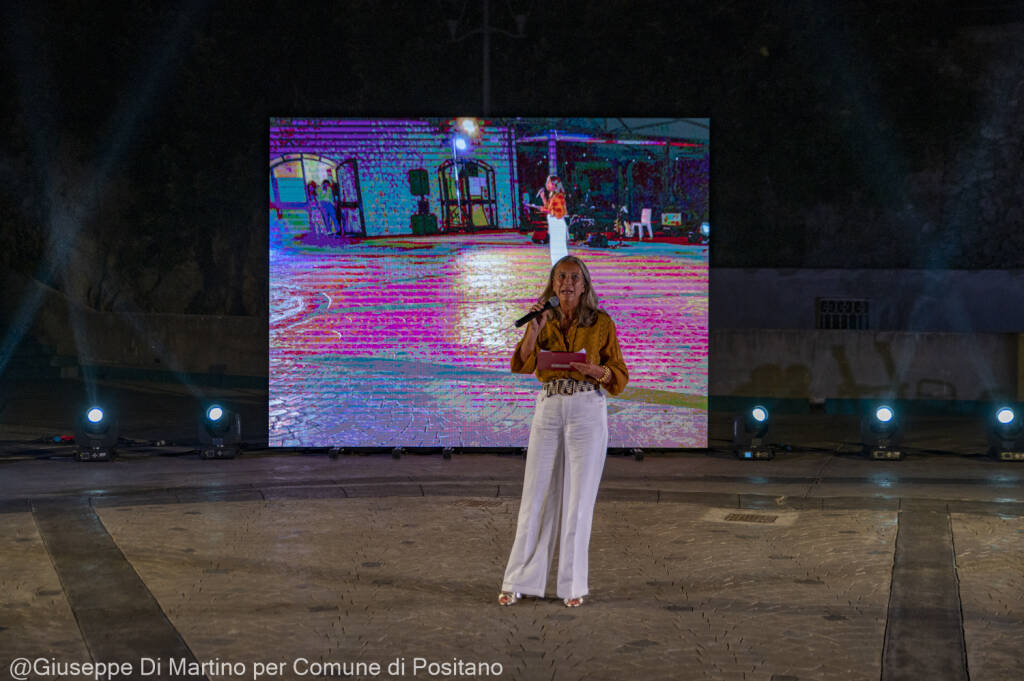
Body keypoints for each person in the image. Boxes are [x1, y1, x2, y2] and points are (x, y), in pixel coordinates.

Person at [499, 255, 628, 608]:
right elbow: (521, 364)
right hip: (550, 406)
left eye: (573, 277)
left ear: (584, 285)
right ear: (552, 285)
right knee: (535, 495)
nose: (566, 283)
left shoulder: (602, 323)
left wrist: (594, 370)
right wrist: (534, 329)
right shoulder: (545, 319)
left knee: (578, 502)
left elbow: (618, 374)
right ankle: (518, 581)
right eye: (560, 278)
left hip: (587, 407)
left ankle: (572, 586)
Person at [537, 175, 568, 265]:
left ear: (554, 185)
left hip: (558, 224)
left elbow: (559, 213)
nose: (546, 184)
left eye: (548, 182)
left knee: (559, 251)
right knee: (555, 250)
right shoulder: (552, 196)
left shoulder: (559, 196)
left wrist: (545, 210)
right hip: (554, 225)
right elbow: (549, 208)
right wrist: (543, 198)